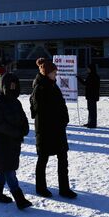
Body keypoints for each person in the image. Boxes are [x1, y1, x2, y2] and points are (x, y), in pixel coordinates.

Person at [30, 60, 77, 199]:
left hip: (58, 129)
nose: (56, 74)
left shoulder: (53, 85)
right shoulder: (39, 88)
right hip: (45, 130)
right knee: (43, 159)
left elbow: (61, 104)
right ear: (47, 73)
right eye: (54, 72)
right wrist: (56, 119)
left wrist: (64, 119)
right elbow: (39, 111)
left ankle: (64, 188)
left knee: (63, 158)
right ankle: (41, 187)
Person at [0, 73, 32, 210]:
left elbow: (23, 118)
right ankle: (19, 198)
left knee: (4, 168)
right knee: (9, 170)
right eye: (10, 85)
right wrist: (16, 133)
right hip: (0, 143)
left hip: (13, 142)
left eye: (15, 85)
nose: (13, 87)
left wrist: (24, 129)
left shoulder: (16, 102)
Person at [77, 63, 100, 128]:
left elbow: (86, 84)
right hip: (91, 95)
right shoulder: (91, 75)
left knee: (92, 110)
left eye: (88, 68)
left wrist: (79, 78)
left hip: (92, 95)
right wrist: (79, 78)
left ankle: (92, 123)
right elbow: (86, 83)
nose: (87, 69)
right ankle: (90, 122)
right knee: (90, 109)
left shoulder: (93, 76)